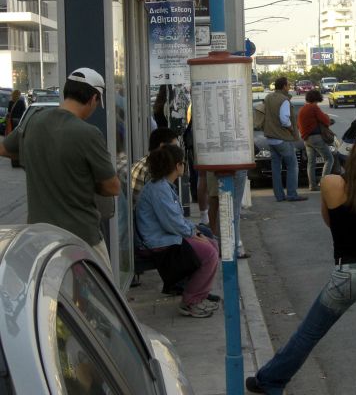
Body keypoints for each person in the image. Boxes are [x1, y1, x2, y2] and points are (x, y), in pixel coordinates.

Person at [245, 127, 356, 395]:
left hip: (345, 275)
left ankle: (271, 379)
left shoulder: (330, 183)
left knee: (308, 334)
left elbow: (330, 222)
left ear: (353, 150)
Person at [0, 68, 120, 267]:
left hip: (40, 238)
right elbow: (112, 187)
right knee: (99, 294)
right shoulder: (88, 133)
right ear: (93, 98)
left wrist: (33, 157)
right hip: (82, 238)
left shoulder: (34, 121)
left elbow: (4, 148)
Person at [135, 144, 219, 318]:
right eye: (183, 163)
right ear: (177, 166)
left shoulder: (162, 186)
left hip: (166, 236)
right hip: (160, 240)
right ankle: (191, 301)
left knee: (211, 244)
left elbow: (175, 220)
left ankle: (198, 294)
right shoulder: (159, 189)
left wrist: (194, 231)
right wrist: (193, 233)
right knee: (209, 252)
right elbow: (172, 222)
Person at [263, 76, 307, 202]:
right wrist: (292, 130)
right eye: (288, 85)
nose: (290, 87)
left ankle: (279, 196)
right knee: (292, 165)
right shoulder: (284, 100)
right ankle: (292, 194)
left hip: (270, 138)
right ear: (283, 86)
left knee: (276, 168)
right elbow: (284, 120)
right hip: (282, 138)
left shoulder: (268, 97)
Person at [297, 89, 334, 191]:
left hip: (306, 139)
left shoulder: (302, 109)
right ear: (317, 98)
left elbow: (298, 125)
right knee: (329, 159)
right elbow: (325, 121)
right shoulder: (314, 107)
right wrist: (326, 116)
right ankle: (323, 183)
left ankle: (312, 185)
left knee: (311, 162)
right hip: (316, 137)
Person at [131, 127, 178, 206]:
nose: (177, 151)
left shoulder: (143, 161)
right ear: (162, 146)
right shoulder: (153, 168)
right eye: (174, 147)